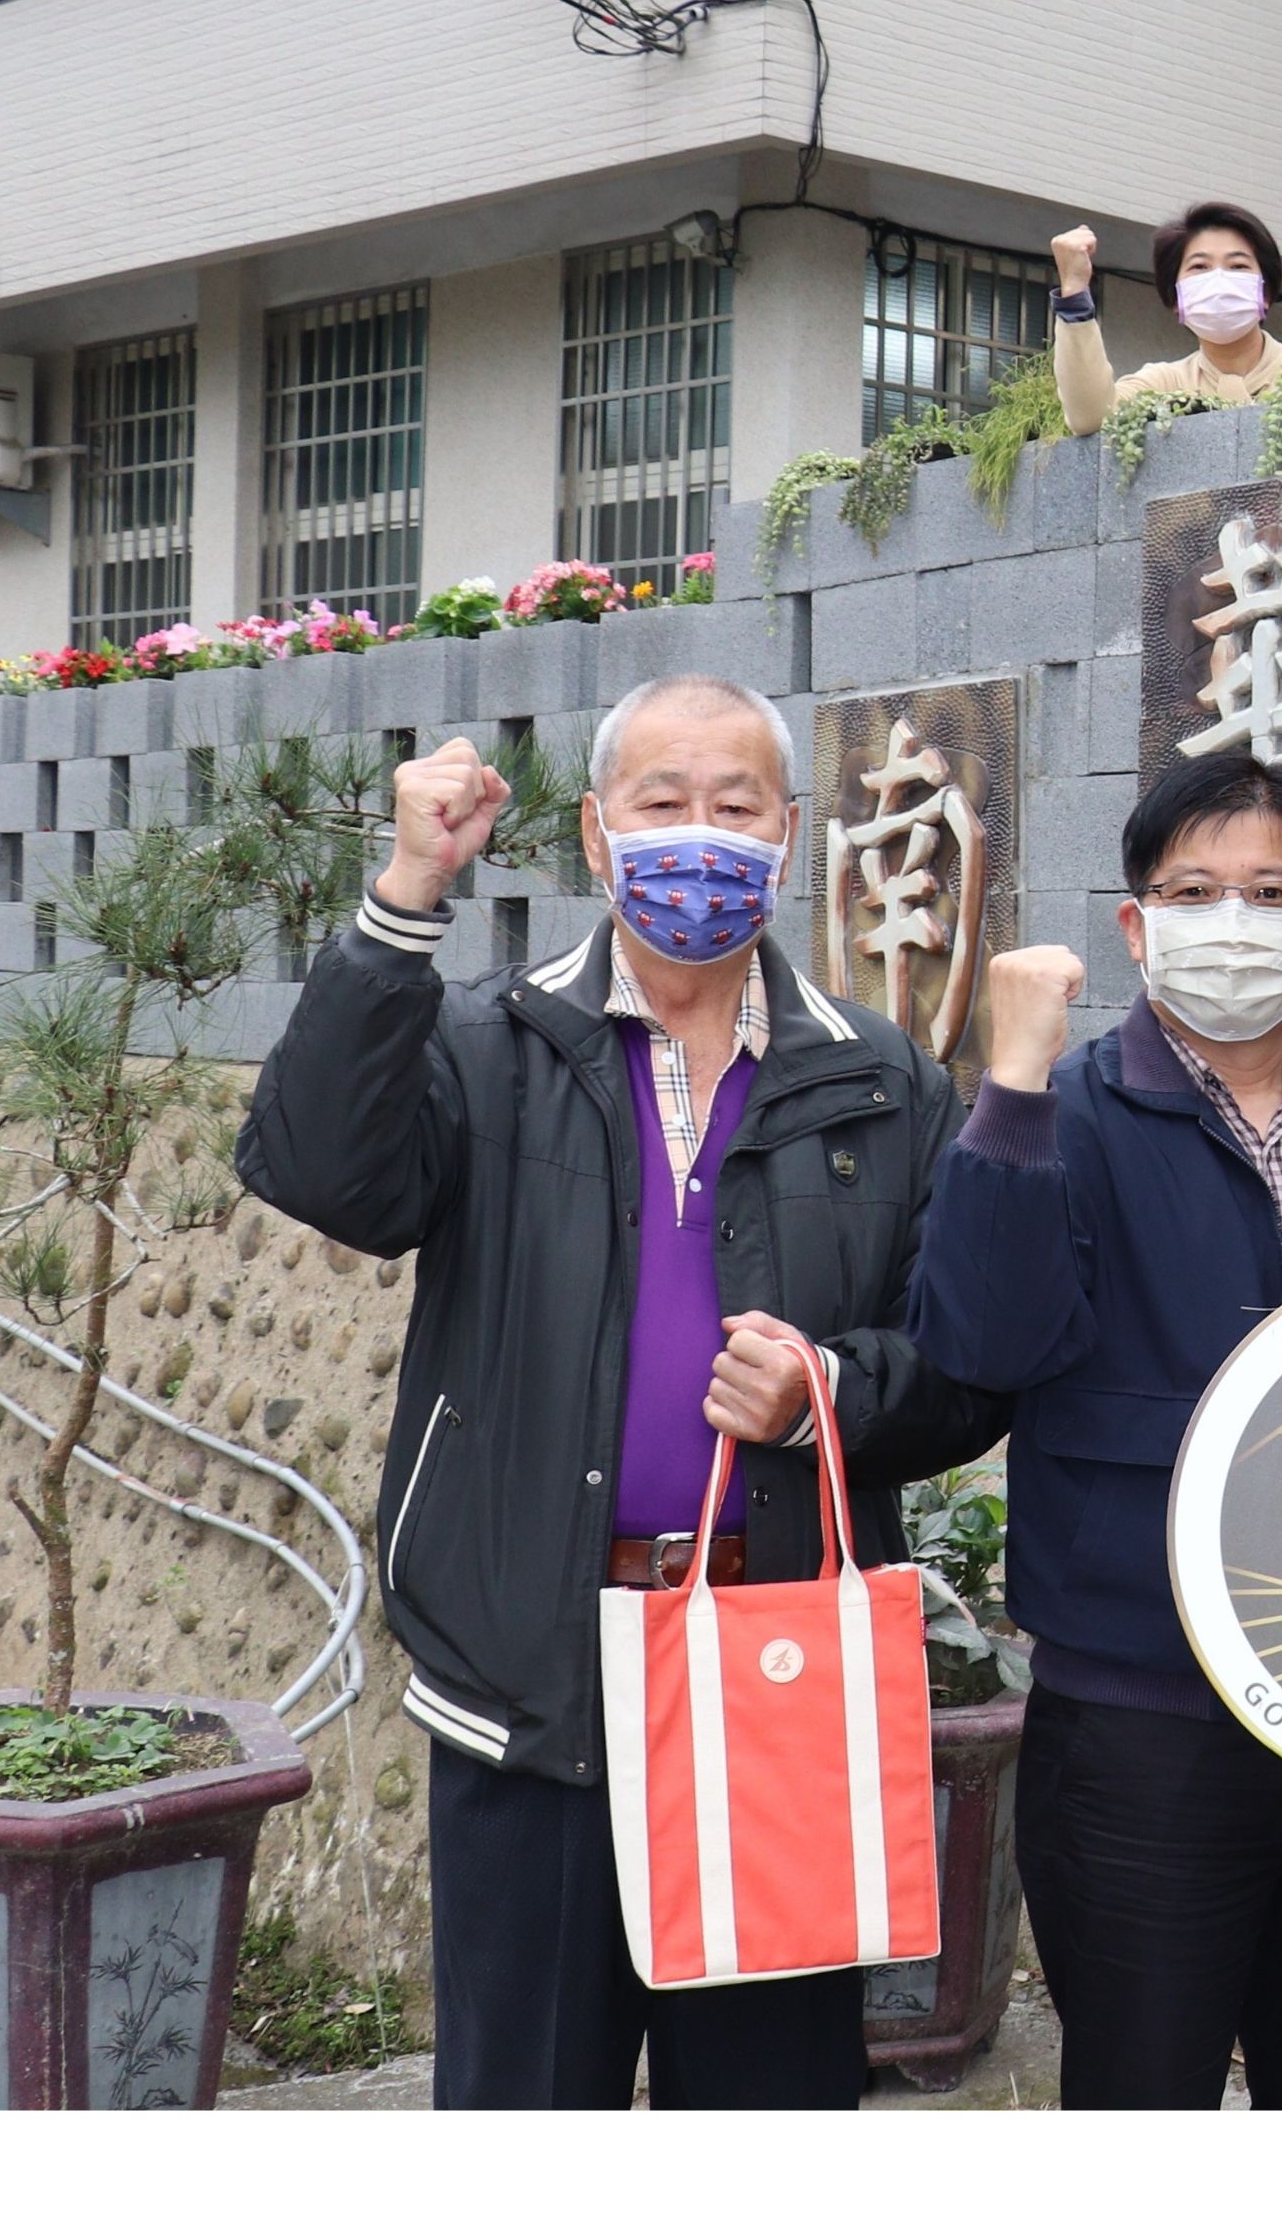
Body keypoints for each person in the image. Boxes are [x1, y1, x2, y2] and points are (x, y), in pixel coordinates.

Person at [235, 676, 1004, 2110]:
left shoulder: (885, 1081)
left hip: (774, 1691)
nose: (699, 835)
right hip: (534, 1680)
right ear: (599, 834)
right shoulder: (487, 1043)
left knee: (769, 2118)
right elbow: (321, 1170)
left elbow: (962, 1374)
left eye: (735, 806)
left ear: (788, 835)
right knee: (526, 2104)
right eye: (663, 802)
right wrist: (407, 893)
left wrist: (828, 1390)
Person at [908, 752, 1282, 2109]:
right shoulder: (1058, 1116)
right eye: (1195, 892)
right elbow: (982, 1345)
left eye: (1273, 893)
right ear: (1136, 925)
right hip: (1140, 1717)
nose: (1236, 921)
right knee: (1141, 2085)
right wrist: (1011, 1081)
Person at [1047, 203, 1282, 431]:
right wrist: (1074, 292)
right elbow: (1092, 418)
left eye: (1238, 266)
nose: (1218, 281)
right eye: (1199, 267)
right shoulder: (1164, 384)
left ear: (1265, 292)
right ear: (1176, 299)